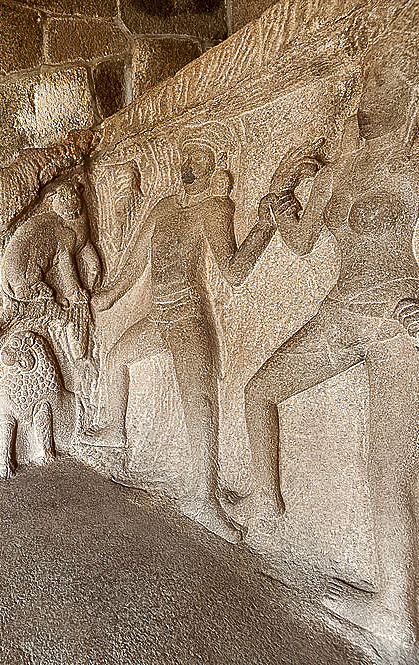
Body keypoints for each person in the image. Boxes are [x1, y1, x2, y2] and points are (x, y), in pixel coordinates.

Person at [236, 42, 419, 656]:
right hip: (343, 313)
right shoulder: (347, 173)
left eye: (378, 85)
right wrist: (286, 199)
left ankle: (400, 622)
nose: (363, 100)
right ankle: (267, 499)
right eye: (364, 88)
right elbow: (305, 242)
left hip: (395, 323)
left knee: (389, 475)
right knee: (261, 390)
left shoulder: (416, 162)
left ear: (407, 94)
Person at [90, 124, 284, 542]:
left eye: (198, 158)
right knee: (118, 356)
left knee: (200, 405)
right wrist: (109, 293)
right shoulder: (162, 209)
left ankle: (205, 497)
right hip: (159, 317)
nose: (188, 165)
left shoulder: (214, 209)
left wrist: (267, 224)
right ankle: (114, 428)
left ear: (213, 167)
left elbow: (234, 270)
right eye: (186, 156)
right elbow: (136, 261)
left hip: (187, 316)